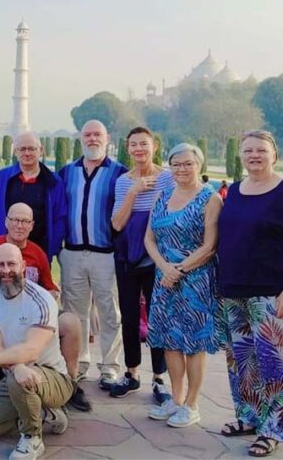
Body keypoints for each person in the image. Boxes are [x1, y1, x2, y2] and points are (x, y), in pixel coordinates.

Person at [216, 130, 283, 458]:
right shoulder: (237, 191)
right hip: (234, 291)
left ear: (274, 154)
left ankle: (275, 429)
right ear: (241, 156)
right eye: (248, 151)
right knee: (242, 362)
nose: (254, 155)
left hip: (273, 293)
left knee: (277, 365)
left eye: (261, 150)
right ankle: (249, 417)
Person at [0, 244, 74, 460]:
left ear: (23, 266)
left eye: (11, 264)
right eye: (0, 265)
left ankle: (32, 437)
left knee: (19, 380)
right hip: (15, 374)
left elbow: (32, 350)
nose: (6, 270)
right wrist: (17, 366)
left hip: (53, 376)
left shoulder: (41, 300)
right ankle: (44, 414)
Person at [0, 202, 90, 412]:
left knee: (71, 322)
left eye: (25, 221)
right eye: (15, 220)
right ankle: (2, 380)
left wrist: (49, 298)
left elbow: (49, 286)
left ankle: (70, 381)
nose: (19, 226)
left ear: (31, 225)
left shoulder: (37, 252)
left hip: (33, 312)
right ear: (6, 222)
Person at [144, 143, 222, 428]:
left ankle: (192, 404)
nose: (182, 169)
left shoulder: (210, 198)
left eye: (188, 163)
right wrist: (164, 268)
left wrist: (178, 269)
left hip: (195, 280)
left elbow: (210, 246)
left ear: (199, 165)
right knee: (169, 342)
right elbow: (149, 239)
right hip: (164, 279)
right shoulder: (163, 195)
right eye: (176, 164)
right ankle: (175, 400)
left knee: (193, 344)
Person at [56, 119, 127, 388]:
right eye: (88, 135)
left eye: (98, 134)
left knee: (110, 312)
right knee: (76, 313)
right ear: (80, 138)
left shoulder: (119, 172)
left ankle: (110, 366)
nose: (92, 139)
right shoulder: (67, 172)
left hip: (105, 254)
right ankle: (80, 362)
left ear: (107, 138)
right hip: (73, 253)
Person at [109, 127, 173, 401]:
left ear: (154, 146)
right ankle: (131, 372)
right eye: (133, 144)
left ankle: (159, 378)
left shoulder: (167, 178)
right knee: (130, 315)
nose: (139, 149)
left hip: (158, 257)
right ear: (127, 147)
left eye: (144, 144)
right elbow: (117, 222)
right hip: (129, 257)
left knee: (158, 317)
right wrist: (134, 193)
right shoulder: (124, 182)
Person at [0, 132, 67, 262]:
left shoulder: (53, 181)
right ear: (15, 151)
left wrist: (53, 247)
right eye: (22, 149)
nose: (27, 153)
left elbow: (60, 216)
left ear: (41, 150)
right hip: (5, 251)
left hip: (40, 251)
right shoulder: (2, 177)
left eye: (32, 149)